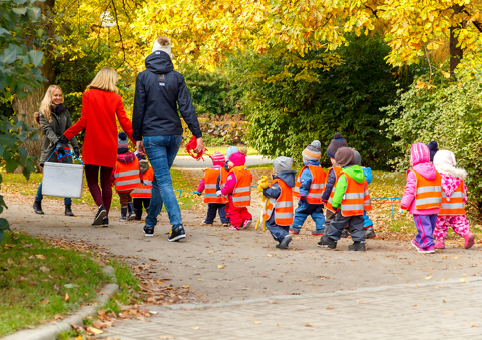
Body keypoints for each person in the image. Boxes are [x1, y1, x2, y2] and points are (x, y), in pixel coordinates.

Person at [132, 35, 203, 241]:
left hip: (153, 135)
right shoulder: (177, 77)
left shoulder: (143, 77)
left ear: (152, 51)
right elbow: (186, 107)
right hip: (174, 135)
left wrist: (137, 137)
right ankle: (150, 224)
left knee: (163, 180)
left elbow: (139, 108)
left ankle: (177, 226)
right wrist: (197, 134)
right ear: (170, 54)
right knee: (159, 180)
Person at [61, 67, 134, 227]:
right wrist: (137, 139)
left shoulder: (88, 94)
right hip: (109, 144)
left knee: (92, 180)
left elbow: (83, 121)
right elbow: (125, 122)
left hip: (93, 144)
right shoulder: (116, 98)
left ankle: (101, 207)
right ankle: (105, 217)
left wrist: (66, 135)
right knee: (106, 182)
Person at [33, 85, 79, 216]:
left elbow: (71, 129)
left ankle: (68, 206)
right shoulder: (44, 111)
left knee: (68, 176)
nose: (58, 98)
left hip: (64, 147)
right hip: (51, 147)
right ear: (50, 96)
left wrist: (75, 146)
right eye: (55, 95)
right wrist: (57, 143)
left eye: (59, 95)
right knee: (49, 176)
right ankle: (37, 202)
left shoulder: (65, 111)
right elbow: (47, 130)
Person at [318, 147, 372, 251]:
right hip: (358, 208)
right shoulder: (361, 175)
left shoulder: (345, 175)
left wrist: (335, 203)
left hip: (346, 208)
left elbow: (339, 191)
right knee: (357, 225)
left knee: (337, 224)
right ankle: (359, 243)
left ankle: (331, 241)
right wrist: (366, 205)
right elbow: (366, 191)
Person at [400, 143, 442, 254]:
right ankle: (418, 241)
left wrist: (404, 205)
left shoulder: (414, 173)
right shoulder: (436, 172)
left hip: (420, 206)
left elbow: (410, 191)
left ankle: (427, 246)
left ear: (414, 158)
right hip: (434, 205)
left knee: (424, 227)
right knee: (429, 227)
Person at [433, 150, 475, 249]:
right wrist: (462, 202)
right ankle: (467, 233)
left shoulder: (436, 177)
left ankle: (439, 242)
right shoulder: (459, 178)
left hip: (441, 209)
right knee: (459, 223)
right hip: (457, 208)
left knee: (439, 225)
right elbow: (463, 194)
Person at [292, 140, 326, 236]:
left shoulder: (308, 170)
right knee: (317, 212)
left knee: (301, 211)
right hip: (318, 198)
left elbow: (305, 183)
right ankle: (321, 227)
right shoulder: (320, 169)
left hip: (308, 198)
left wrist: (302, 194)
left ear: (307, 158)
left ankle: (295, 227)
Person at [262, 156, 297, 249]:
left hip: (277, 210)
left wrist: (265, 189)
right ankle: (284, 241)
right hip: (287, 211)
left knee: (270, 224)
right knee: (283, 226)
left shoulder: (278, 182)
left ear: (277, 169)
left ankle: (283, 237)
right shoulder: (288, 182)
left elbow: (273, 193)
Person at [217, 152, 253, 230]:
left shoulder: (233, 174)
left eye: (229, 161)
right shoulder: (247, 172)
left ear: (234, 163)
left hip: (235, 197)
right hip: (245, 196)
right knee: (242, 209)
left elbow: (229, 186)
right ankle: (247, 218)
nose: (227, 162)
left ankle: (235, 224)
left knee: (233, 211)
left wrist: (221, 191)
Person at [322, 133, 348, 235]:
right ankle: (344, 231)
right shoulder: (348, 168)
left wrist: (324, 198)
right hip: (345, 200)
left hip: (332, 200)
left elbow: (329, 186)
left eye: (331, 157)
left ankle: (326, 236)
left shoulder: (334, 170)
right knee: (342, 217)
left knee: (329, 219)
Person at [111, 132, 141, 221]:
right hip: (132, 183)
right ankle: (131, 212)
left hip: (121, 184)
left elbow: (112, 173)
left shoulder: (116, 160)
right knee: (128, 196)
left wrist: (110, 182)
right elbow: (139, 170)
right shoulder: (134, 157)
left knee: (123, 199)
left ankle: (123, 216)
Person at [196, 152, 229, 227]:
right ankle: (225, 221)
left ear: (213, 161)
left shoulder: (207, 171)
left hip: (211, 196)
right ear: (223, 162)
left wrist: (199, 191)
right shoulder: (225, 171)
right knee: (223, 208)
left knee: (211, 209)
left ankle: (209, 221)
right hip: (222, 195)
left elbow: (203, 182)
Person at [352, 149, 376, 239]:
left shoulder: (354, 173)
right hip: (362, 198)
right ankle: (368, 228)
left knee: (354, 214)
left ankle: (368, 228)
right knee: (362, 213)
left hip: (353, 198)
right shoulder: (363, 173)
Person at [131, 155, 154, 221]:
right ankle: (151, 217)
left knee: (137, 207)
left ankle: (137, 217)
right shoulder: (151, 169)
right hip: (148, 192)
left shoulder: (134, 169)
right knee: (148, 206)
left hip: (136, 192)